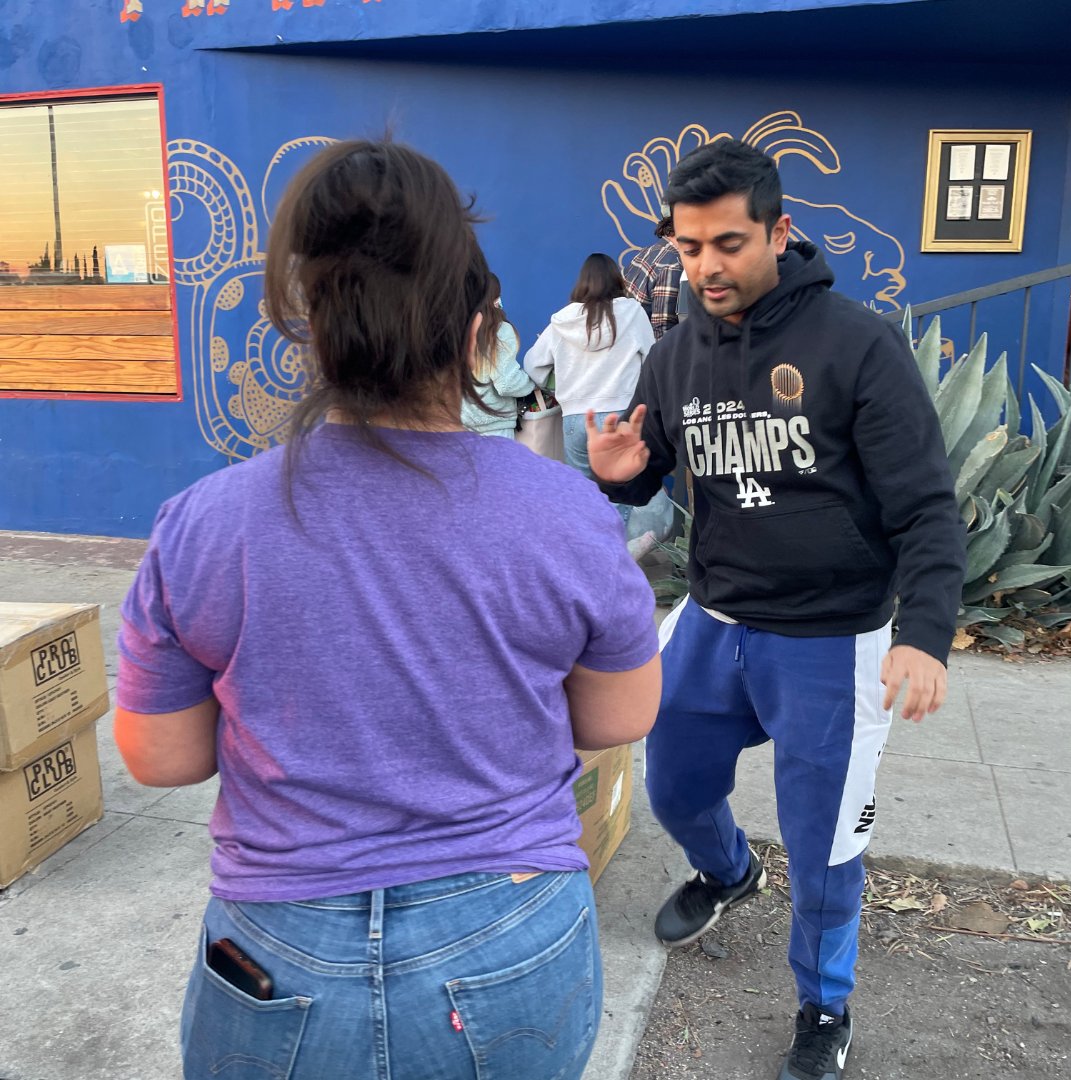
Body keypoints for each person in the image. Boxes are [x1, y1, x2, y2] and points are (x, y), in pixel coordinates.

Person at [113, 139, 661, 1080]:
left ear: (312, 325)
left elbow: (160, 757)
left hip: (276, 955)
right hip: (511, 938)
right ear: (474, 331)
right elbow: (620, 716)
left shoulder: (202, 524)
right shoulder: (565, 511)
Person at [586, 139, 965, 1080]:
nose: (705, 266)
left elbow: (925, 504)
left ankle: (823, 1007)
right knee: (671, 781)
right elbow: (654, 469)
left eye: (726, 243)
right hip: (715, 621)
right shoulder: (674, 356)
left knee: (825, 843)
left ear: (778, 232)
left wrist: (923, 636)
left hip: (831, 639)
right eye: (686, 248)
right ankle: (727, 872)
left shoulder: (857, 344)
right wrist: (626, 481)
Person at [523, 252, 654, 521]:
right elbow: (653, 360)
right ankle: (616, 558)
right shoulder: (632, 312)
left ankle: (587, 560)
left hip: (576, 418)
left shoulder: (563, 320)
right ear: (617, 280)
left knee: (581, 497)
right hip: (621, 414)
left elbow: (533, 365)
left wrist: (556, 389)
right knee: (619, 494)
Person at [460, 272, 537, 437]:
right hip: (496, 427)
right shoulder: (500, 330)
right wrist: (532, 383)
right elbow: (507, 384)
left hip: (462, 427)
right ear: (494, 297)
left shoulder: (458, 331)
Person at [623, 213, 683, 340]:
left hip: (627, 345)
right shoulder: (672, 265)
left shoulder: (648, 250)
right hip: (644, 350)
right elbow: (662, 331)